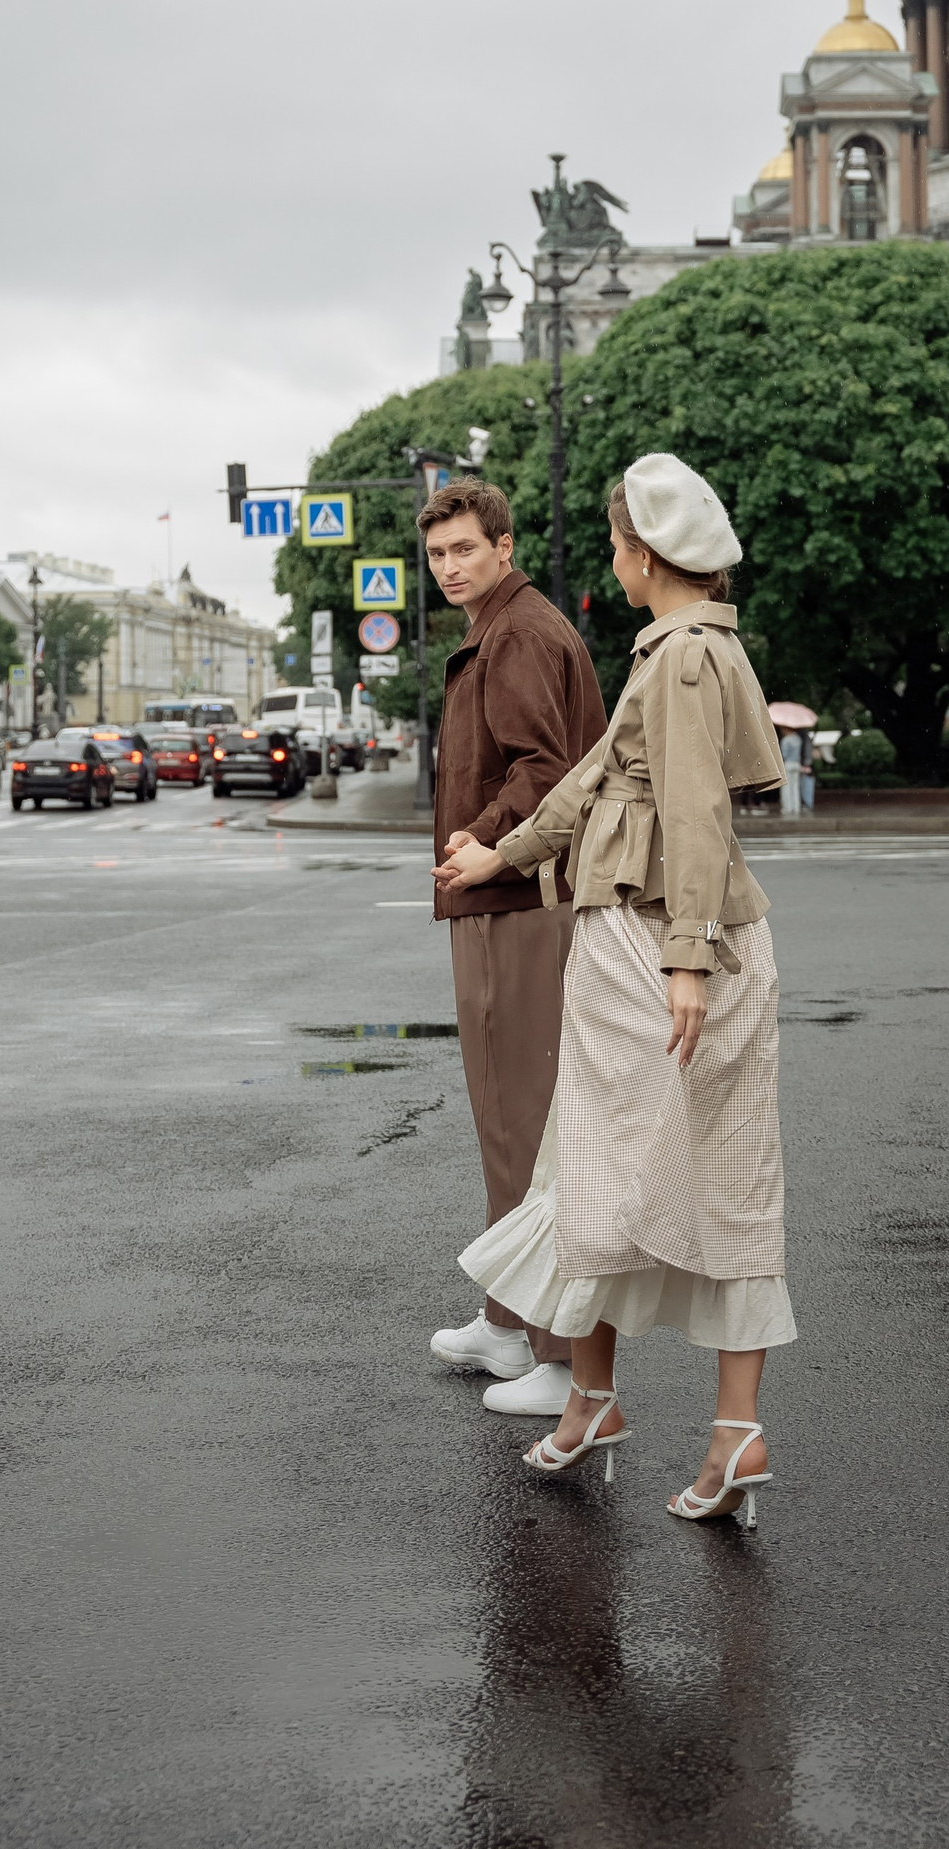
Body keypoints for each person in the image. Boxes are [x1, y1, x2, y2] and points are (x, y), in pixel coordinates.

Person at [438, 454, 792, 1527]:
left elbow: (692, 810)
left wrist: (685, 957)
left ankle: (597, 1398)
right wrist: (503, 854)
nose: (612, 562)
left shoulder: (677, 659)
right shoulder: (692, 647)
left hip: (648, 940)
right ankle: (719, 1426)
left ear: (646, 552)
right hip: (696, 939)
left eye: (616, 545)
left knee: (591, 1167)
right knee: (724, 1177)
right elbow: (591, 782)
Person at [423, 476, 609, 1422]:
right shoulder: (502, 628)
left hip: (517, 897)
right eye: (437, 553)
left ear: (504, 545)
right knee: (508, 1125)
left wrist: (485, 838)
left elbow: (547, 767)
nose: (450, 566)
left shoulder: (520, 633)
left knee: (529, 1132)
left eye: (465, 548)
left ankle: (564, 1360)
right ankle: (507, 1321)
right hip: (502, 894)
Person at [778, 726, 804, 818]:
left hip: (788, 764)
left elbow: (784, 755)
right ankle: (796, 807)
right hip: (796, 764)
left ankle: (787, 808)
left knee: (786, 787)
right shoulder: (798, 739)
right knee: (795, 787)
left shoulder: (786, 740)